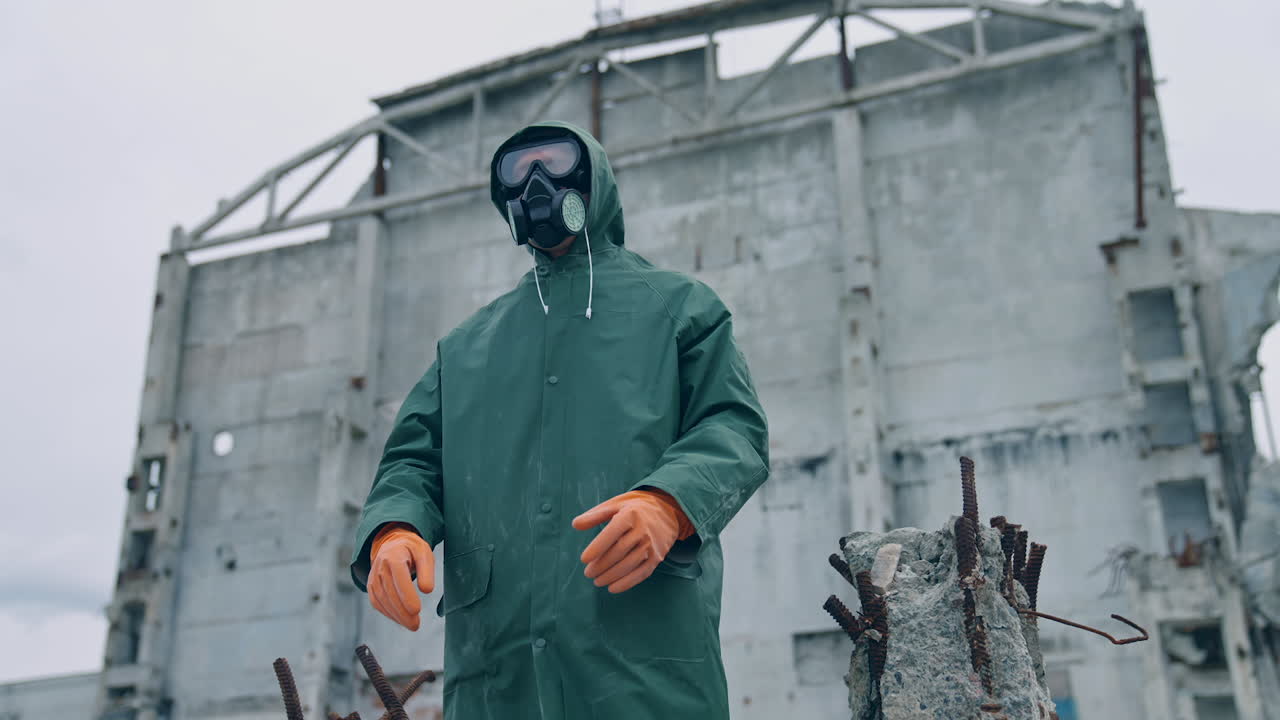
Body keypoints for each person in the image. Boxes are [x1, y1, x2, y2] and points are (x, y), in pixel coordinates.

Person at [349, 120, 769, 720]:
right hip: (499, 679)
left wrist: (668, 503)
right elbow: (413, 459)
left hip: (641, 675)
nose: (538, 185)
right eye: (519, 173)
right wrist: (393, 528)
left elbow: (734, 426)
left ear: (592, 179)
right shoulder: (467, 347)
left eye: (555, 163)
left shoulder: (678, 308)